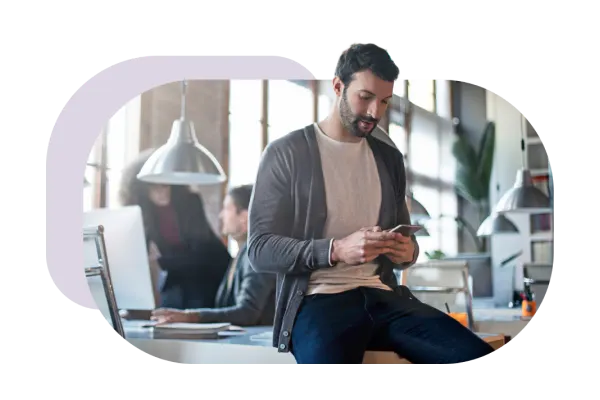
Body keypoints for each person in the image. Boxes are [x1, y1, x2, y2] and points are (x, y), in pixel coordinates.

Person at [247, 42, 497, 367]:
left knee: (477, 357)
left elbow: (409, 245)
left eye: (384, 101)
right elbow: (259, 249)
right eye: (365, 97)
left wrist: (407, 252)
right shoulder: (286, 153)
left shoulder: (389, 158)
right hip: (319, 301)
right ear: (338, 86)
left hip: (383, 297)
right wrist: (335, 249)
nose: (374, 112)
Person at [119, 148, 231, 310]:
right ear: (142, 190)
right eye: (154, 187)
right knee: (167, 311)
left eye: (165, 186)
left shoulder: (191, 201)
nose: (161, 192)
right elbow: (140, 251)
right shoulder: (144, 213)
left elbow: (199, 252)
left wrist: (160, 260)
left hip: (209, 270)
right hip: (178, 274)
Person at [151, 184, 276, 327]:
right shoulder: (242, 253)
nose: (221, 215)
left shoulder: (256, 253)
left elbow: (248, 312)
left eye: (227, 208)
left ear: (244, 216)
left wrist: (190, 317)